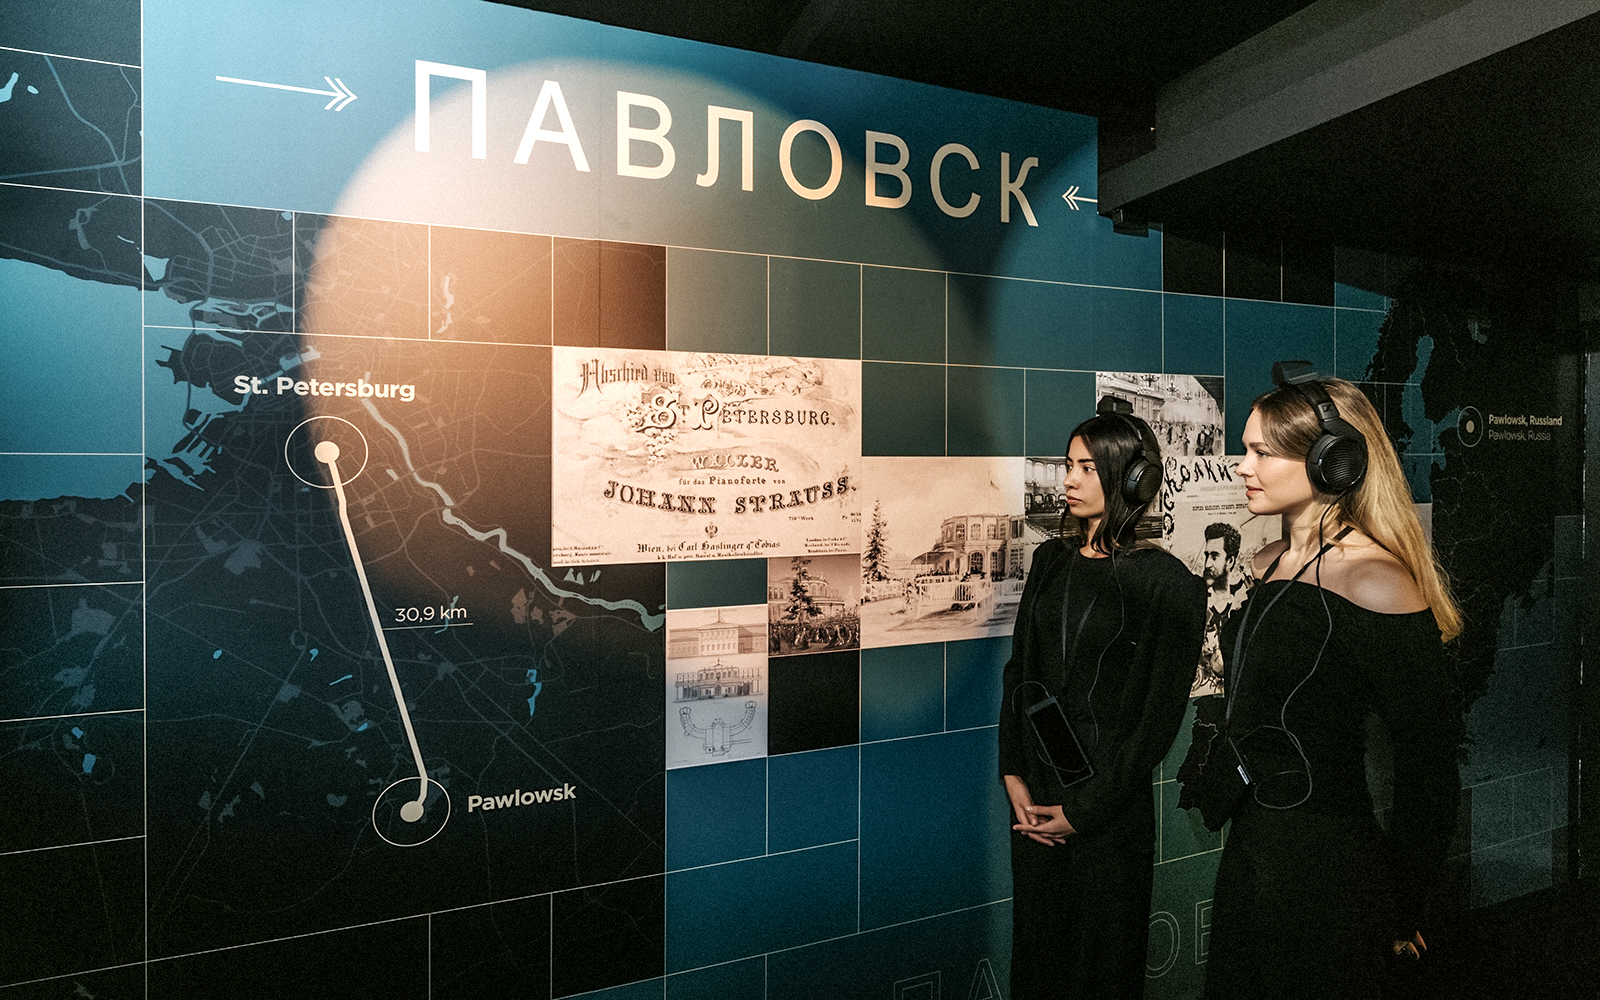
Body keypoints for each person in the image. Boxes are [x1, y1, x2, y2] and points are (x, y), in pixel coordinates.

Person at [1201, 367, 1462, 999]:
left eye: (1262, 452)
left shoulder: (1377, 581)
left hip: (1330, 869)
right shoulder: (1262, 564)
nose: (1243, 466)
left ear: (1333, 462)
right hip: (1253, 852)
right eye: (1245, 449)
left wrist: (1406, 903)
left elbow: (1429, 765)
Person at [999, 400, 1206, 1000]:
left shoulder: (1169, 585)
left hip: (1108, 820)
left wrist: (1083, 812)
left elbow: (1157, 722)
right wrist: (1014, 776)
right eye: (1068, 465)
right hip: (1035, 807)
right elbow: (1020, 675)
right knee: (1037, 969)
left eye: (1086, 468)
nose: (1067, 480)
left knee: (1101, 975)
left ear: (1131, 479)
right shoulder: (1049, 560)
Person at [1196, 522, 1246, 695]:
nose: (1208, 563)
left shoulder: (1244, 598)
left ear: (1230, 560)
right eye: (1206, 555)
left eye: (1215, 556)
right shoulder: (1197, 599)